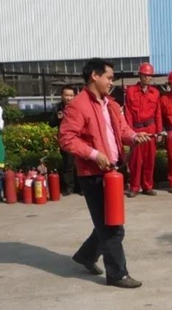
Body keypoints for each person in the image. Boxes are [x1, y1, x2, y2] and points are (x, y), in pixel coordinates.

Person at [59, 58, 152, 288]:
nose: (112, 82)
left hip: (112, 172)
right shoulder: (78, 105)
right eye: (109, 77)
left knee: (105, 223)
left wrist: (134, 137)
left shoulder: (109, 103)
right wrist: (93, 154)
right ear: (95, 76)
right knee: (113, 228)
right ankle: (117, 274)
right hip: (93, 175)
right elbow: (66, 138)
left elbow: (121, 129)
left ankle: (86, 256)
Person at [123, 62, 163, 198]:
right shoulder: (130, 91)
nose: (147, 77)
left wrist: (159, 131)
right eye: (144, 75)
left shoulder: (155, 93)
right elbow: (127, 113)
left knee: (149, 159)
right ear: (139, 75)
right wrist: (130, 133)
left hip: (151, 129)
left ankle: (148, 186)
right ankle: (134, 187)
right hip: (136, 129)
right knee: (135, 160)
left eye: (149, 75)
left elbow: (158, 113)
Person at [48, 85, 81, 196]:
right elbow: (51, 124)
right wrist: (57, 118)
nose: (69, 98)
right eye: (66, 95)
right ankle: (69, 187)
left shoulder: (78, 107)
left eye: (71, 95)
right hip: (65, 140)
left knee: (79, 163)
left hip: (78, 139)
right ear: (62, 96)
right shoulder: (58, 108)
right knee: (68, 164)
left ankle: (80, 187)